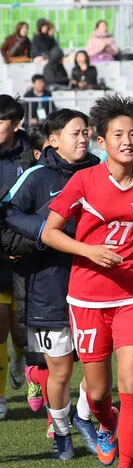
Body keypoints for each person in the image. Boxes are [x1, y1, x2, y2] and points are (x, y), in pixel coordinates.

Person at [40, 94, 133, 468]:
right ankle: (102, 420)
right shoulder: (84, 181)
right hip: (87, 300)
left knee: (131, 383)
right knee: (98, 393)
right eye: (118, 135)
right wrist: (88, 251)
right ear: (102, 141)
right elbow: (50, 232)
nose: (127, 141)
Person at [3, 108, 102, 455]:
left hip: (97, 287)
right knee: (59, 371)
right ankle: (61, 432)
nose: (83, 138)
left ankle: (84, 418)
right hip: (48, 287)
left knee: (97, 369)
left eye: (85, 132)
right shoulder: (36, 177)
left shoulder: (101, 172)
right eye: (75, 133)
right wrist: (47, 235)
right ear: (54, 140)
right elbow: (7, 215)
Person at [0, 95, 30, 420]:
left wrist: (21, 242)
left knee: (20, 332)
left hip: (23, 250)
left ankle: (21, 358)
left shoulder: (31, 154)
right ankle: (0, 397)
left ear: (16, 124)